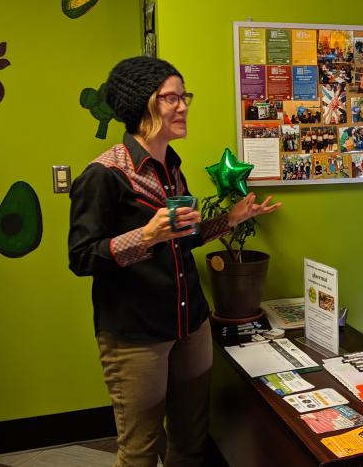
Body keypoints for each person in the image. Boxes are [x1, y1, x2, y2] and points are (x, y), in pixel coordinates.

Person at [68, 56, 281, 467]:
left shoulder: (173, 167)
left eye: (185, 97)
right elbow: (81, 257)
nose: (182, 106)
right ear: (140, 104)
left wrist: (230, 221)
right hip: (136, 334)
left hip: (190, 323)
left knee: (190, 438)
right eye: (171, 98)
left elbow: (182, 240)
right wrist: (145, 235)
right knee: (141, 448)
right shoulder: (104, 174)